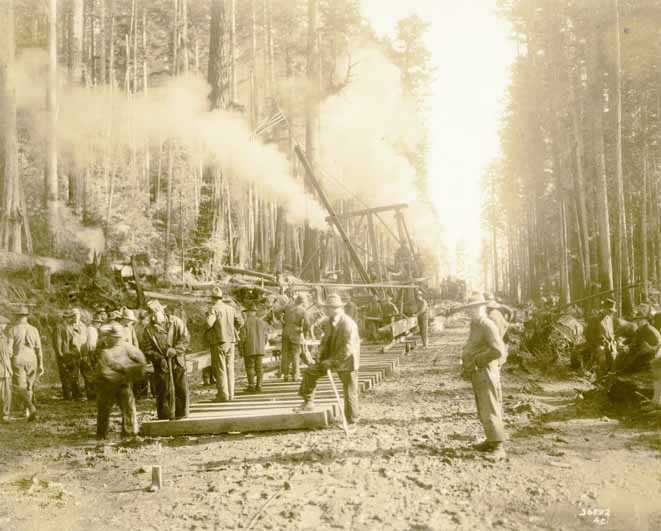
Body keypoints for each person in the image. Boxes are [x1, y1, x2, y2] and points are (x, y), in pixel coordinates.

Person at [295, 294, 360, 425]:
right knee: (310, 372)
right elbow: (326, 340)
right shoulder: (330, 321)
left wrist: (331, 362)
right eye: (328, 309)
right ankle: (308, 402)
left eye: (331, 309)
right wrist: (320, 356)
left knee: (349, 391)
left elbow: (347, 349)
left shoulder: (348, 324)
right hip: (331, 359)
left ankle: (352, 419)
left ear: (338, 309)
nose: (328, 311)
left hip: (347, 361)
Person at [461, 292, 508, 460]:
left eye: (474, 308)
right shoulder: (476, 325)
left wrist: (477, 361)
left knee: (491, 406)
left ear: (482, 307)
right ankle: (490, 439)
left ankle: (498, 447)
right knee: (483, 407)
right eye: (469, 309)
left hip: (486, 371)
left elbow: (498, 350)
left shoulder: (487, 325)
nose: (470, 311)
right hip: (477, 373)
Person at [96, 323, 150, 440]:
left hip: (122, 383)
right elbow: (103, 368)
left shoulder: (127, 347)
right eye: (115, 337)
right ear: (109, 336)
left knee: (128, 407)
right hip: (107, 383)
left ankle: (130, 433)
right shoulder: (103, 349)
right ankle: (102, 434)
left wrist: (129, 369)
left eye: (118, 337)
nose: (117, 340)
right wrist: (125, 370)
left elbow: (141, 360)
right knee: (104, 410)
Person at [140, 299, 190, 419]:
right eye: (151, 315)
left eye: (155, 314)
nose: (153, 317)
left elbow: (185, 338)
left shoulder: (176, 322)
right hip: (160, 362)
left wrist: (176, 350)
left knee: (180, 387)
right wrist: (158, 358)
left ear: (162, 311)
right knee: (162, 389)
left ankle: (181, 413)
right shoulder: (148, 329)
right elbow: (146, 348)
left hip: (177, 359)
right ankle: (164, 415)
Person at [204, 288, 244, 402]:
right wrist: (232, 329)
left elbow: (208, 324)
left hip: (219, 342)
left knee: (220, 369)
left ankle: (223, 395)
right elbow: (241, 322)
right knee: (230, 368)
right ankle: (231, 394)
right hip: (231, 341)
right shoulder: (230, 309)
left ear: (212, 298)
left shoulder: (213, 309)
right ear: (221, 298)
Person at [10, 306, 43, 421]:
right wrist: (41, 364)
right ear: (26, 317)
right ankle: (27, 410)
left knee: (20, 386)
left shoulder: (13, 329)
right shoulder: (34, 329)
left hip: (18, 357)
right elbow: (39, 348)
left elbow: (9, 349)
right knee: (29, 385)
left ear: (18, 317)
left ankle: (30, 407)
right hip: (32, 357)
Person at [57, 308, 88, 400]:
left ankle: (76, 394)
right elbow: (59, 342)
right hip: (67, 353)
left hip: (76, 353)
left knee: (75, 374)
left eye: (75, 316)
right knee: (66, 374)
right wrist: (60, 353)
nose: (70, 318)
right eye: (70, 316)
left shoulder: (81, 326)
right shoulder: (60, 326)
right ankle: (68, 395)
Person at [280, 294, 312, 382]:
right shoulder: (303, 310)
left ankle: (285, 375)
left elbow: (278, 313)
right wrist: (304, 331)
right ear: (302, 302)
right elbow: (307, 324)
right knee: (295, 354)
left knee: (285, 354)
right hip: (296, 332)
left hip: (285, 331)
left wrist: (283, 323)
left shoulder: (287, 307)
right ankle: (295, 375)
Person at [585, 298, 618, 377]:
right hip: (598, 344)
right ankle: (601, 374)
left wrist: (613, 341)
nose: (611, 313)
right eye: (609, 311)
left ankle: (611, 375)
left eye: (612, 311)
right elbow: (588, 335)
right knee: (602, 356)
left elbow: (611, 333)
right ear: (604, 309)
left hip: (609, 343)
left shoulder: (609, 319)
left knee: (616, 356)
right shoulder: (594, 319)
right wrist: (596, 344)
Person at [241, 303, 269, 393]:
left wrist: (241, 348)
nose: (246, 314)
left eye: (247, 312)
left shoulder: (245, 323)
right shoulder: (262, 323)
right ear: (255, 312)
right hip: (260, 349)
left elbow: (242, 338)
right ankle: (259, 386)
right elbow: (266, 337)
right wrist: (262, 345)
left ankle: (251, 386)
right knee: (259, 368)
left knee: (250, 367)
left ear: (249, 312)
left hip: (249, 349)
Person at [0, 315, 12, 422]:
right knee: (5, 392)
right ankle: (5, 415)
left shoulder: (4, 337)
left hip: (4, 369)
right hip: (3, 370)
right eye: (3, 325)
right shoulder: (3, 338)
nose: (5, 327)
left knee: (5, 392)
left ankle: (4, 414)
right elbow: (6, 355)